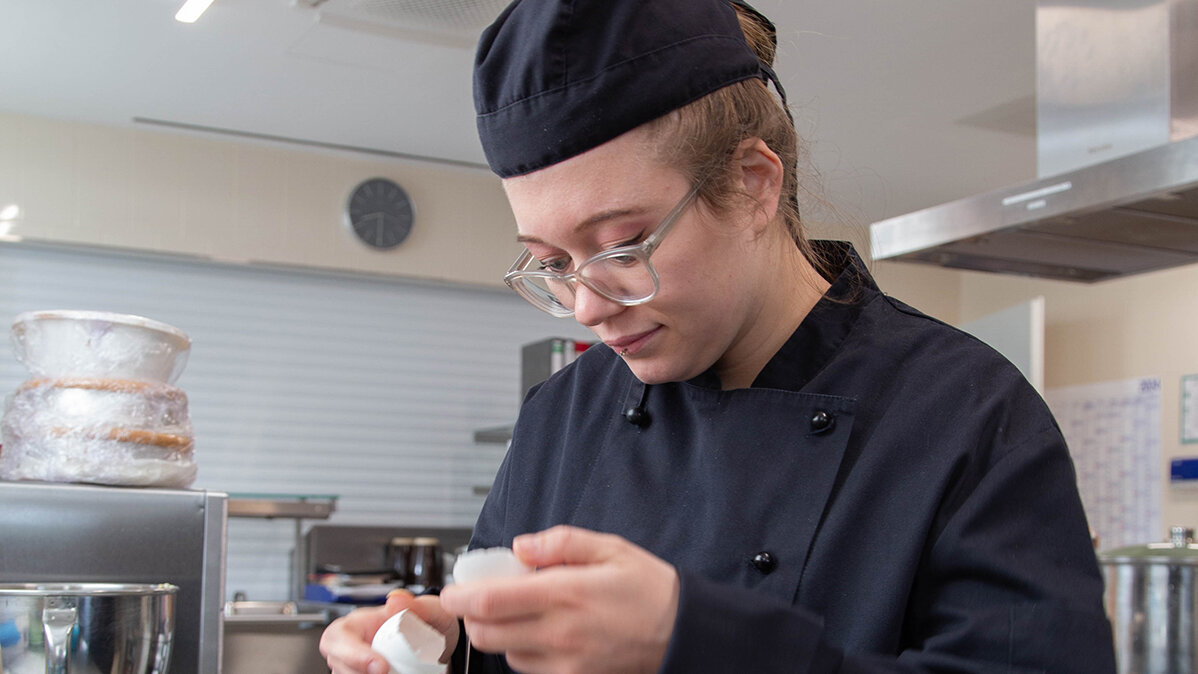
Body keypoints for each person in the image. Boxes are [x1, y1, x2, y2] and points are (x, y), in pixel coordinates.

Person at [321, 0, 1117, 672]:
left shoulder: (968, 413)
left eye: (622, 247)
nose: (589, 307)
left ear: (751, 184)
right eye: (550, 263)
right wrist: (439, 644)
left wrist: (695, 641)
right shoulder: (560, 417)